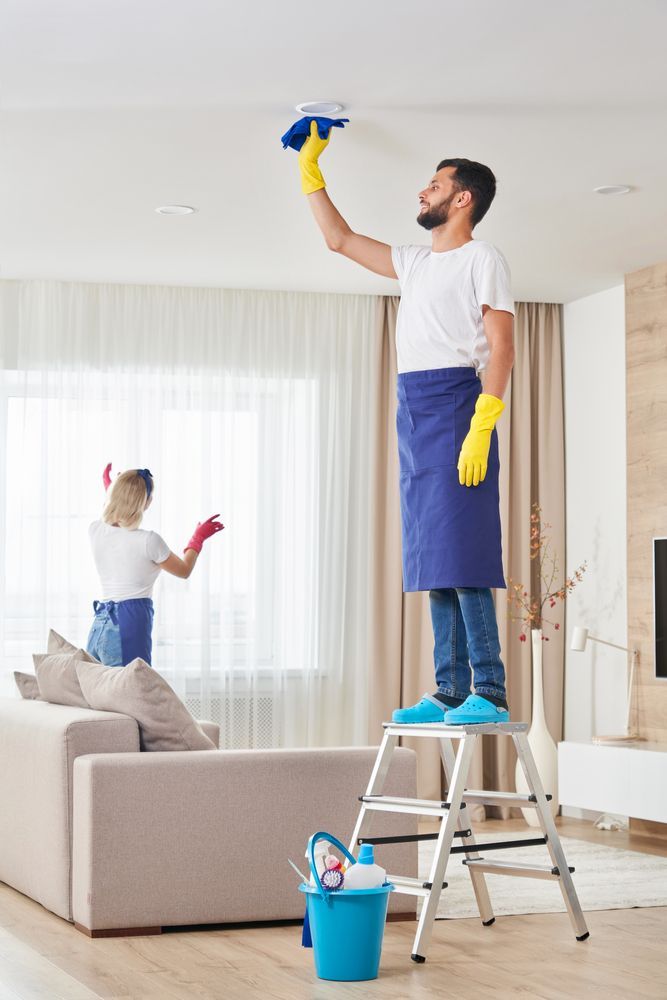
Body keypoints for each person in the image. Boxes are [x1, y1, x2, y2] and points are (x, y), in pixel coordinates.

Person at [295, 122, 514, 725]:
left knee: (464, 556)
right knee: (435, 559)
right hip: (414, 412)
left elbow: (502, 348)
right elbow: (338, 240)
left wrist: (482, 424)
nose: (424, 192)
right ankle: (448, 689)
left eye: (435, 184)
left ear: (462, 198)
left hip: (456, 406)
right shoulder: (415, 262)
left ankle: (489, 690)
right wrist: (310, 170)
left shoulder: (482, 258)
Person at [87, 464, 223, 667]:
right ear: (146, 503)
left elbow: (111, 511)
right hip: (129, 622)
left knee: (97, 691)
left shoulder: (95, 529)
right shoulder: (148, 541)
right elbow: (184, 570)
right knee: (133, 690)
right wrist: (198, 538)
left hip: (100, 624)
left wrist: (112, 486)